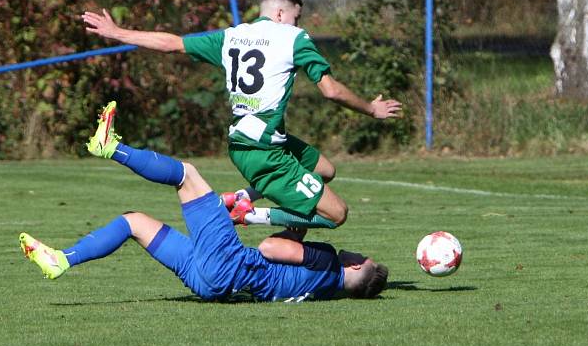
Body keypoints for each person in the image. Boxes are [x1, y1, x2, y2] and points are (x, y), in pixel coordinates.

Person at [82, 0, 402, 249]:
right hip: (265, 152)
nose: (298, 23)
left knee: (325, 170)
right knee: (336, 214)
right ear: (280, 14)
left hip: (243, 141)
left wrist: (119, 33)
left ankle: (248, 202)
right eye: (296, 17)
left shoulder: (232, 36)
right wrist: (371, 109)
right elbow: (331, 91)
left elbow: (172, 43)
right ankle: (247, 214)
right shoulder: (294, 38)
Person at [19, 101, 389, 302]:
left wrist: (257, 215)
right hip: (214, 284)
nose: (356, 254)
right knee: (133, 221)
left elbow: (272, 246)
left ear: (355, 271)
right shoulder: (324, 290)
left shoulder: (327, 264)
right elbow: (288, 251)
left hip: (229, 263)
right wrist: (296, 216)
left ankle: (111, 147)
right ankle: (61, 260)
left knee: (187, 175)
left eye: (361, 259)